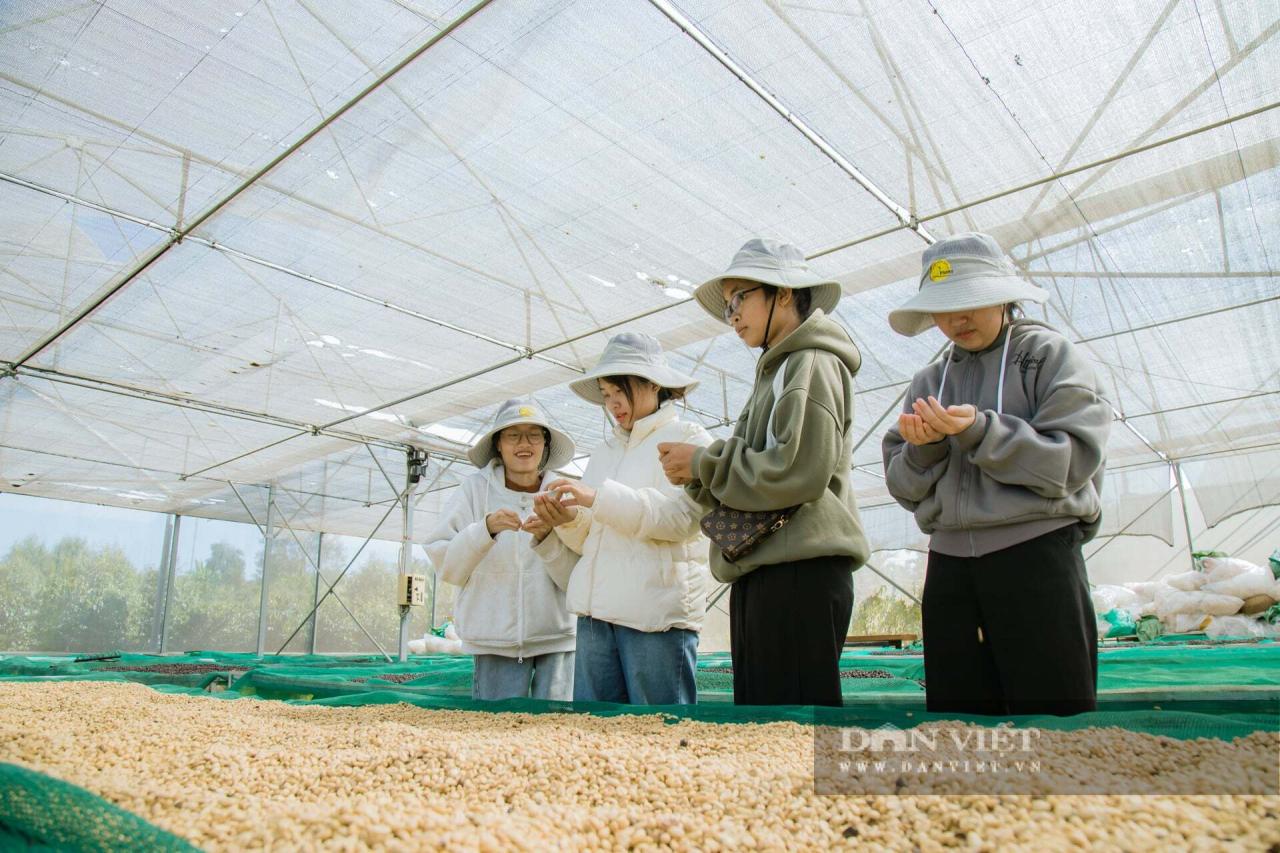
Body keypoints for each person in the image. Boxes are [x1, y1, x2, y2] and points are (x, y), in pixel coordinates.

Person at [882, 232, 1112, 716]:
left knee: (1052, 712)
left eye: (971, 302)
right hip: (948, 566)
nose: (957, 319)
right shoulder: (928, 381)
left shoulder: (1049, 356)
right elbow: (903, 486)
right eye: (944, 307)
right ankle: (974, 796)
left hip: (1036, 556)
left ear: (1004, 297)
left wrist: (982, 432)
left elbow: (1071, 463)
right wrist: (924, 451)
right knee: (958, 718)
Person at [657, 238, 870, 707]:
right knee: (764, 728)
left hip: (800, 574)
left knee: (790, 728)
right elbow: (767, 466)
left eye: (740, 298)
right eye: (728, 305)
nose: (732, 315)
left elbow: (798, 470)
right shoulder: (778, 369)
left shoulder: (810, 363)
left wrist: (703, 462)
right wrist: (702, 471)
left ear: (785, 293)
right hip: (768, 566)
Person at [531, 332, 712, 705]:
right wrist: (564, 519)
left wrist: (598, 497)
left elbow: (682, 519)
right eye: (606, 395)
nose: (613, 404)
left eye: (620, 392)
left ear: (651, 383)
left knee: (660, 735)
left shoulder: (689, 438)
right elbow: (591, 538)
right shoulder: (604, 451)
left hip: (655, 618)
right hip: (596, 617)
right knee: (596, 740)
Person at [424, 397, 577, 701]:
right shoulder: (474, 490)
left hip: (557, 640)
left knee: (556, 731)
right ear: (498, 444)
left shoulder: (563, 493)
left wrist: (548, 540)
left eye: (534, 435)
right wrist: (485, 530)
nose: (525, 444)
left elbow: (580, 576)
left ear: (545, 443)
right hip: (494, 642)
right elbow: (446, 564)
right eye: (513, 435)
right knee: (495, 733)